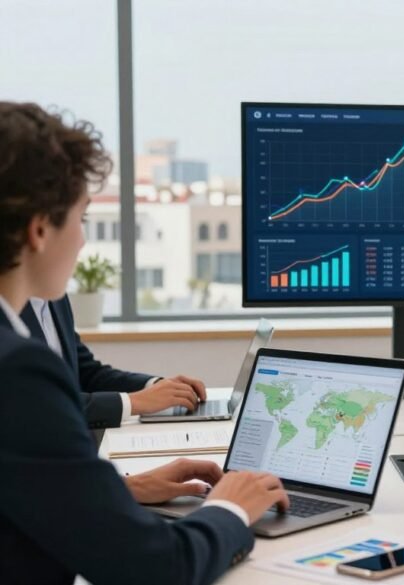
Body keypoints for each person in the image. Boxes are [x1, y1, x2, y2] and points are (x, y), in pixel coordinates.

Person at [0, 101, 290, 584]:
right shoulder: (16, 370)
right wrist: (230, 510)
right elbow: (157, 569)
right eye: (80, 220)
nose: (82, 242)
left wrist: (121, 490)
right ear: (39, 231)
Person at [20, 294, 210, 429]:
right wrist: (133, 402)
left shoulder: (55, 299)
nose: (81, 243)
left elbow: (88, 372)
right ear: (39, 236)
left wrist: (157, 387)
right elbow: (41, 405)